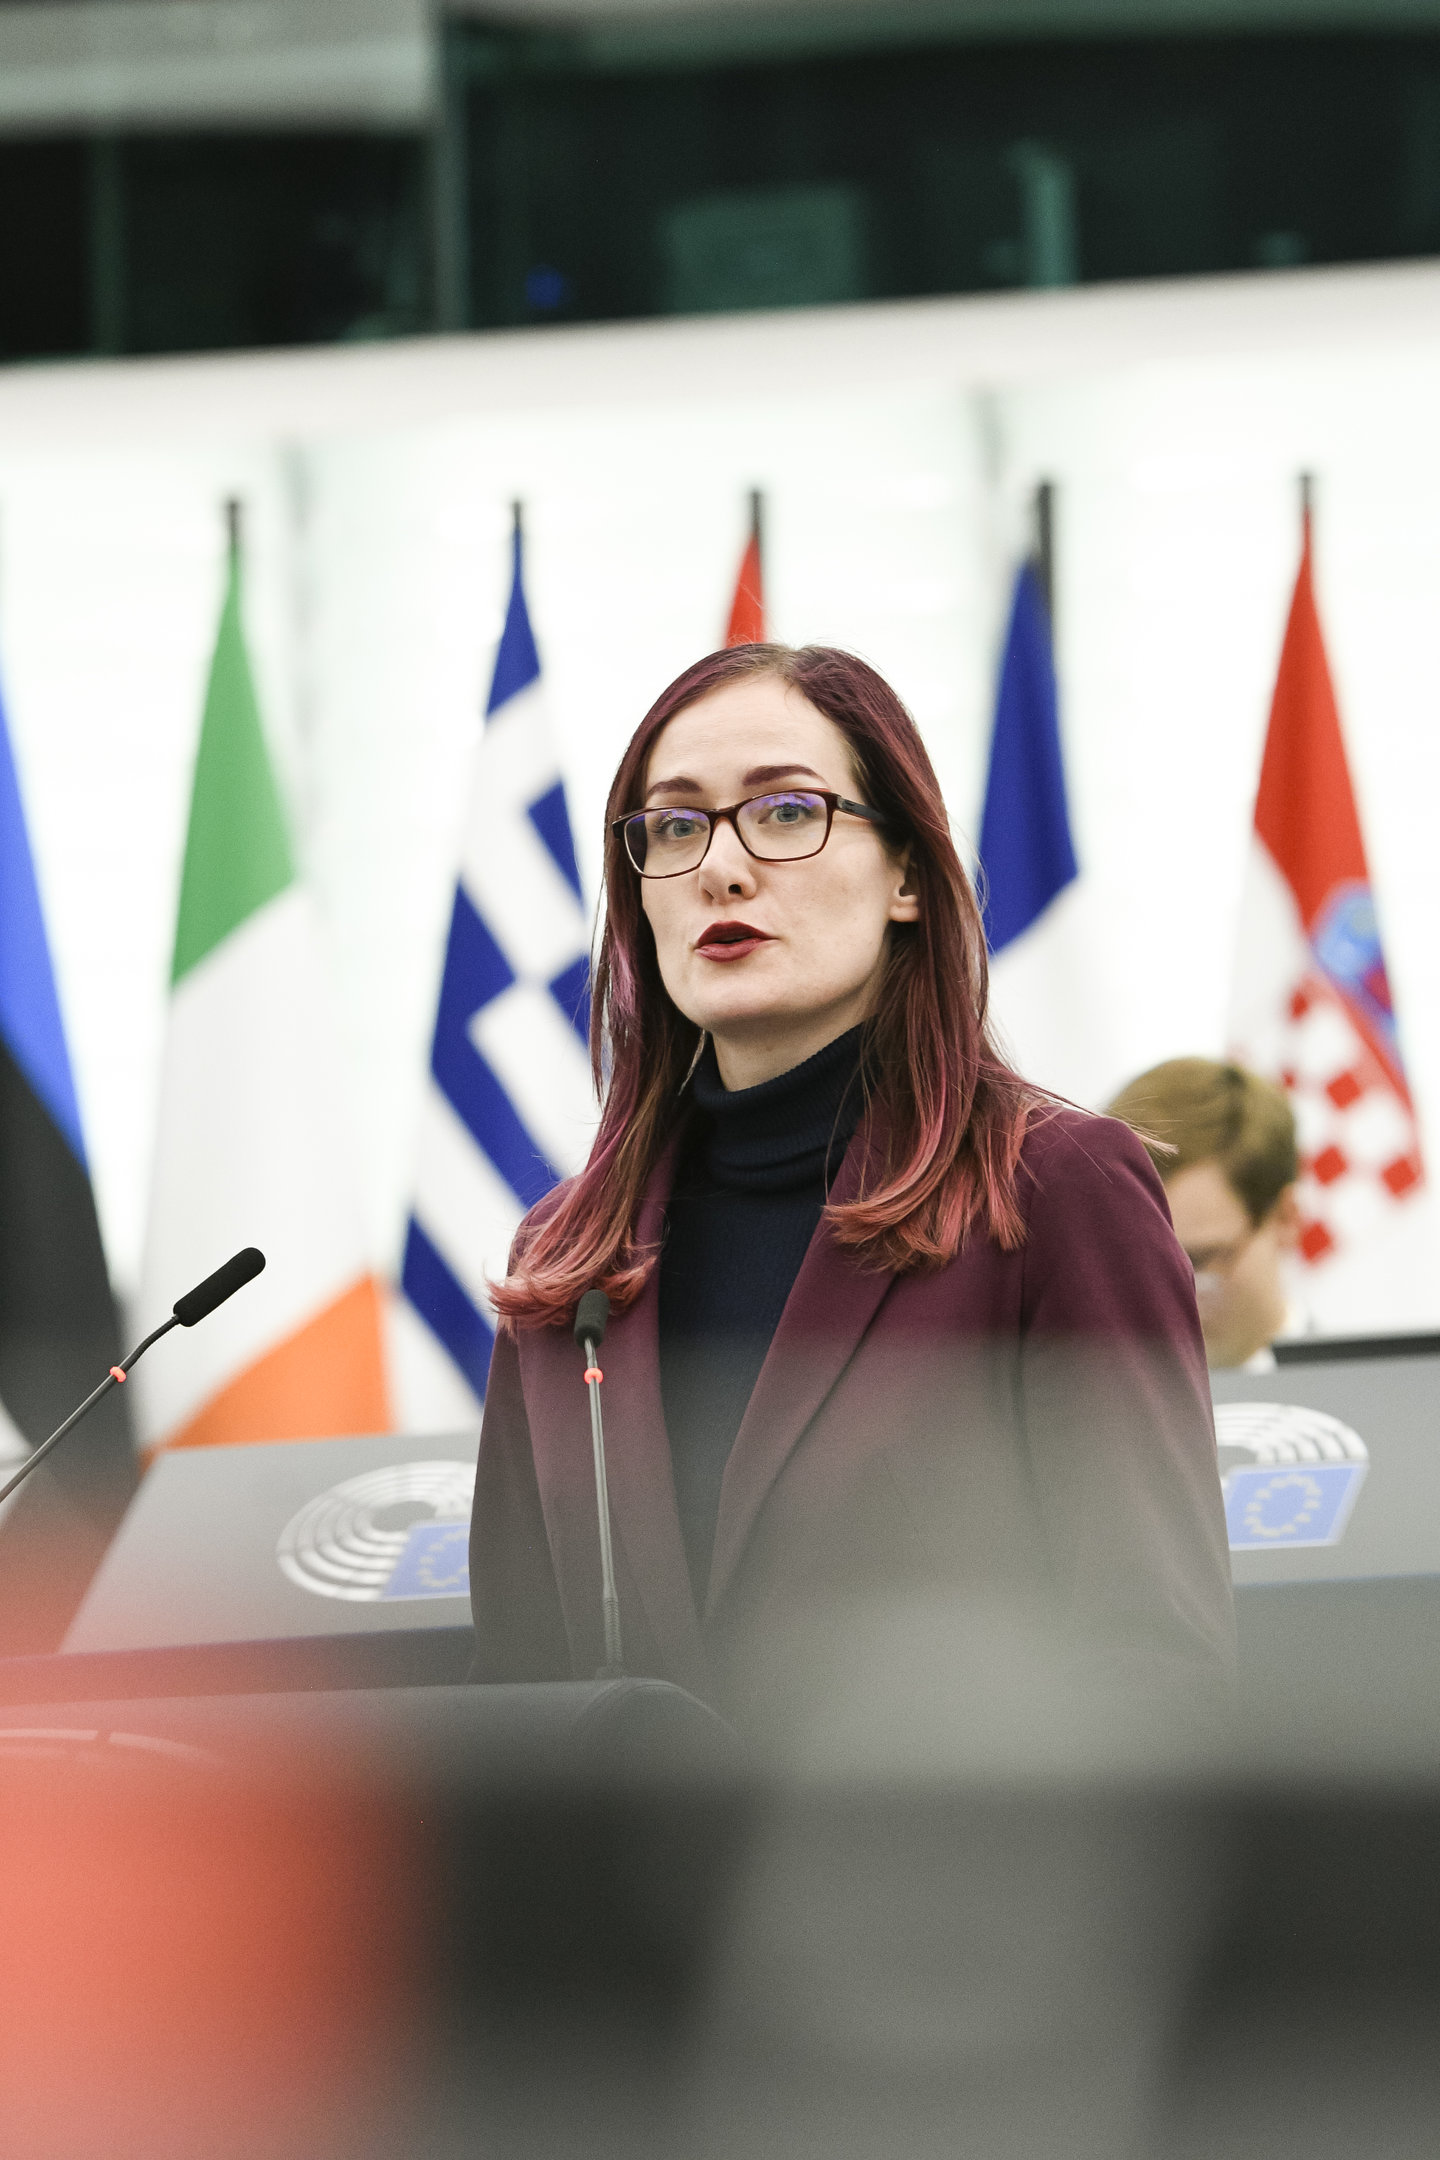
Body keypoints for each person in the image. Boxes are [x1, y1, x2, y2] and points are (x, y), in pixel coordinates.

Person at [469, 644, 1233, 1721]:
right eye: (675, 827)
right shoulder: (565, 1259)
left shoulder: (1057, 1192)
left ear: (908, 878)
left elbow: (1158, 1675)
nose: (720, 869)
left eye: (786, 811)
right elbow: (520, 1707)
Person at [1106, 1059, 1300, 1370]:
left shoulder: (1367, 1393)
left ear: (1284, 1219)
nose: (1162, 1300)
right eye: (1136, 1264)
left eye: (1197, 1261)